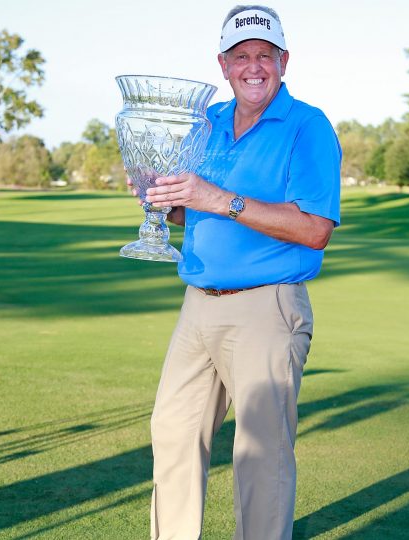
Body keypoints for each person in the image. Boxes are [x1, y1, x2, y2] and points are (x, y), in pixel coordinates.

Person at [131, 5, 341, 539]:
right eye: (241, 56)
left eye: (264, 56)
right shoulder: (208, 123)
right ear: (222, 65)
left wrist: (218, 198)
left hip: (267, 307)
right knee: (173, 434)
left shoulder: (307, 126)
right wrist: (161, 198)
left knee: (259, 455)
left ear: (284, 61)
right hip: (198, 303)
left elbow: (316, 228)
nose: (254, 67)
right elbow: (193, 208)